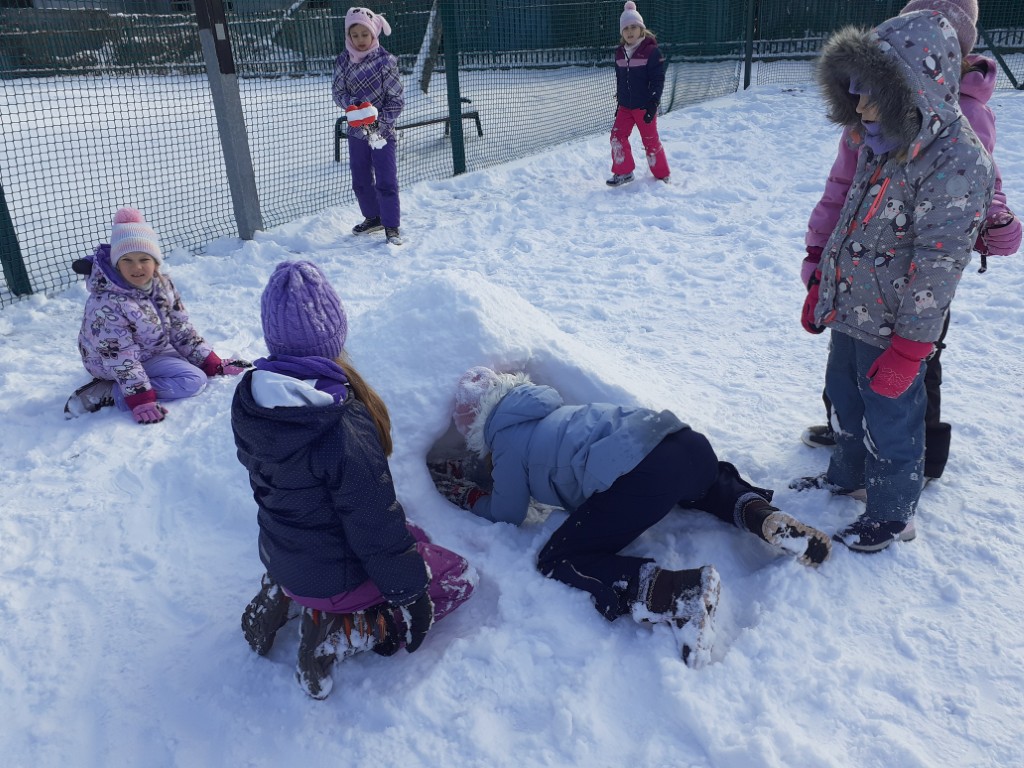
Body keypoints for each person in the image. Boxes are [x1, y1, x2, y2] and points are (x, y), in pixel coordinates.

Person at [429, 367, 831, 669]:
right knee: (707, 482)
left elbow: (507, 512)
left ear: (477, 425)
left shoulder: (507, 441)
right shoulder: (550, 411)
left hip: (644, 475)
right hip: (683, 441)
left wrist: (470, 496)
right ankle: (763, 517)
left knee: (560, 557)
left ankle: (681, 592)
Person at [795, 10, 994, 552]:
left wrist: (910, 349)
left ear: (909, 89)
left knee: (893, 421)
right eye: (853, 94)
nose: (858, 107)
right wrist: (823, 285)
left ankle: (892, 511)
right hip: (852, 308)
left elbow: (938, 262)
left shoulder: (956, 160)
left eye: (869, 94)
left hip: (896, 324)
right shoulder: (879, 143)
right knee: (845, 397)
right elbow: (850, 218)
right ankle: (847, 473)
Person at [232, 260, 474, 699]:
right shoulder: (340, 426)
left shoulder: (251, 400)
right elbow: (374, 526)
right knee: (459, 574)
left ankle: (282, 592)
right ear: (335, 339)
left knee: (412, 534)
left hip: (281, 554)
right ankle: (351, 629)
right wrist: (409, 592)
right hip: (332, 579)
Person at [65, 207, 249, 424]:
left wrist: (213, 364)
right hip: (109, 360)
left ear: (156, 261)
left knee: (195, 364)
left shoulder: (161, 286)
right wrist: (140, 398)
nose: (137, 267)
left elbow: (181, 330)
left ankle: (141, 380)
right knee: (193, 380)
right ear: (116, 264)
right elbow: (121, 356)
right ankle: (108, 391)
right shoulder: (107, 304)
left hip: (148, 348)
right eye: (127, 260)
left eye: (144, 258)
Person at [332, 6, 405, 245]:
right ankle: (373, 217)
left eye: (365, 34)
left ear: (374, 33)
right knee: (361, 178)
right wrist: (353, 106)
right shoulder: (343, 61)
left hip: (382, 132)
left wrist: (379, 122)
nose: (360, 40)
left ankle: (391, 225)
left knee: (386, 178)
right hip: (356, 131)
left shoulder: (386, 61)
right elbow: (338, 91)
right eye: (355, 35)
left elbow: (396, 99)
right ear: (348, 36)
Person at [607, 1, 670, 186]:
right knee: (616, 137)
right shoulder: (619, 53)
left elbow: (658, 79)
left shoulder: (651, 52)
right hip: (626, 106)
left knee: (650, 140)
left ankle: (661, 174)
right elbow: (620, 78)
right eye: (626, 28)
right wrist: (620, 103)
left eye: (633, 27)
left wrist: (653, 103)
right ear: (622, 32)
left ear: (641, 29)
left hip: (645, 106)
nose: (630, 31)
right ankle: (624, 171)